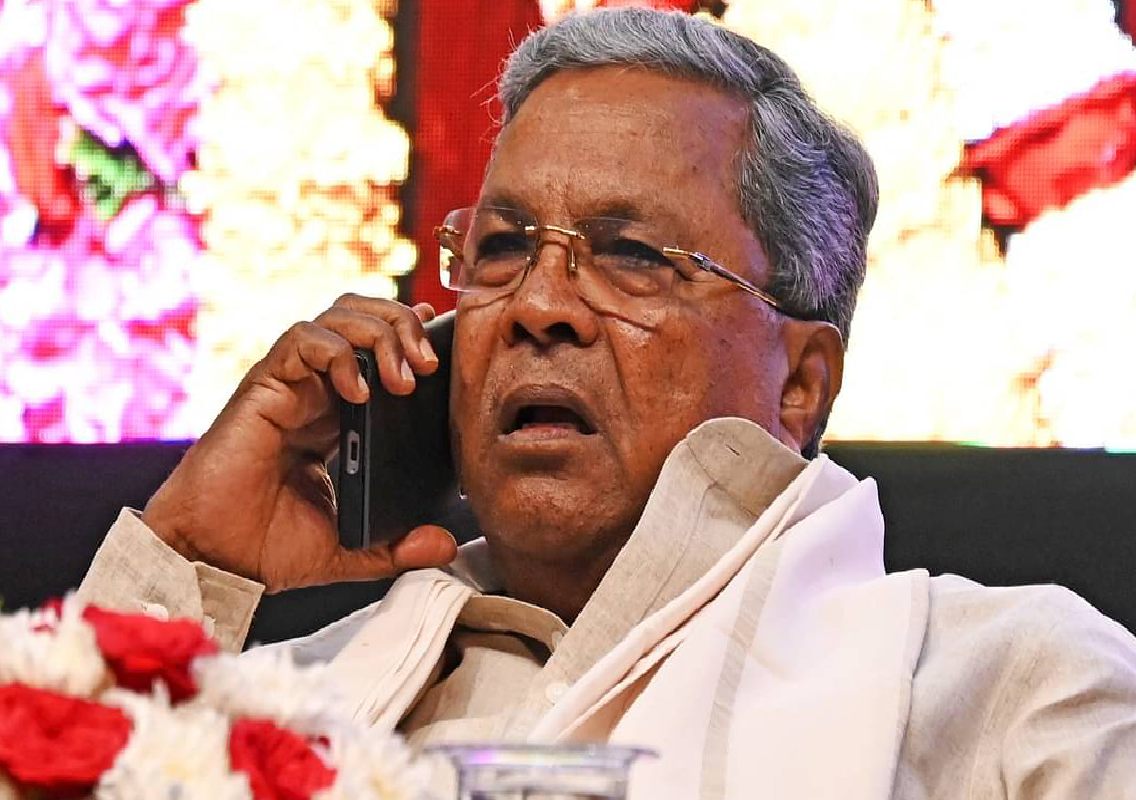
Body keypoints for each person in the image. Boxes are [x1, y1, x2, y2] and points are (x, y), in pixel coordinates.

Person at [77, 7, 1136, 798]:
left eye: (631, 256)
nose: (538, 306)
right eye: (501, 248)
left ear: (801, 381)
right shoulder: (284, 705)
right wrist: (187, 554)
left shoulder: (1007, 689)